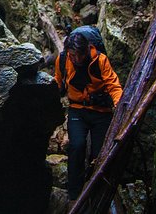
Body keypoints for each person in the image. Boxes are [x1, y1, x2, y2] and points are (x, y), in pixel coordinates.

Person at [54, 31, 123, 202]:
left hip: (101, 112)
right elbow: (57, 81)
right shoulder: (63, 60)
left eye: (80, 55)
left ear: (87, 50)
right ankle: (74, 193)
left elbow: (113, 86)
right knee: (77, 146)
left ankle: (95, 190)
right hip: (77, 110)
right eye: (73, 55)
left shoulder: (100, 60)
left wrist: (120, 106)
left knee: (99, 154)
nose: (77, 59)